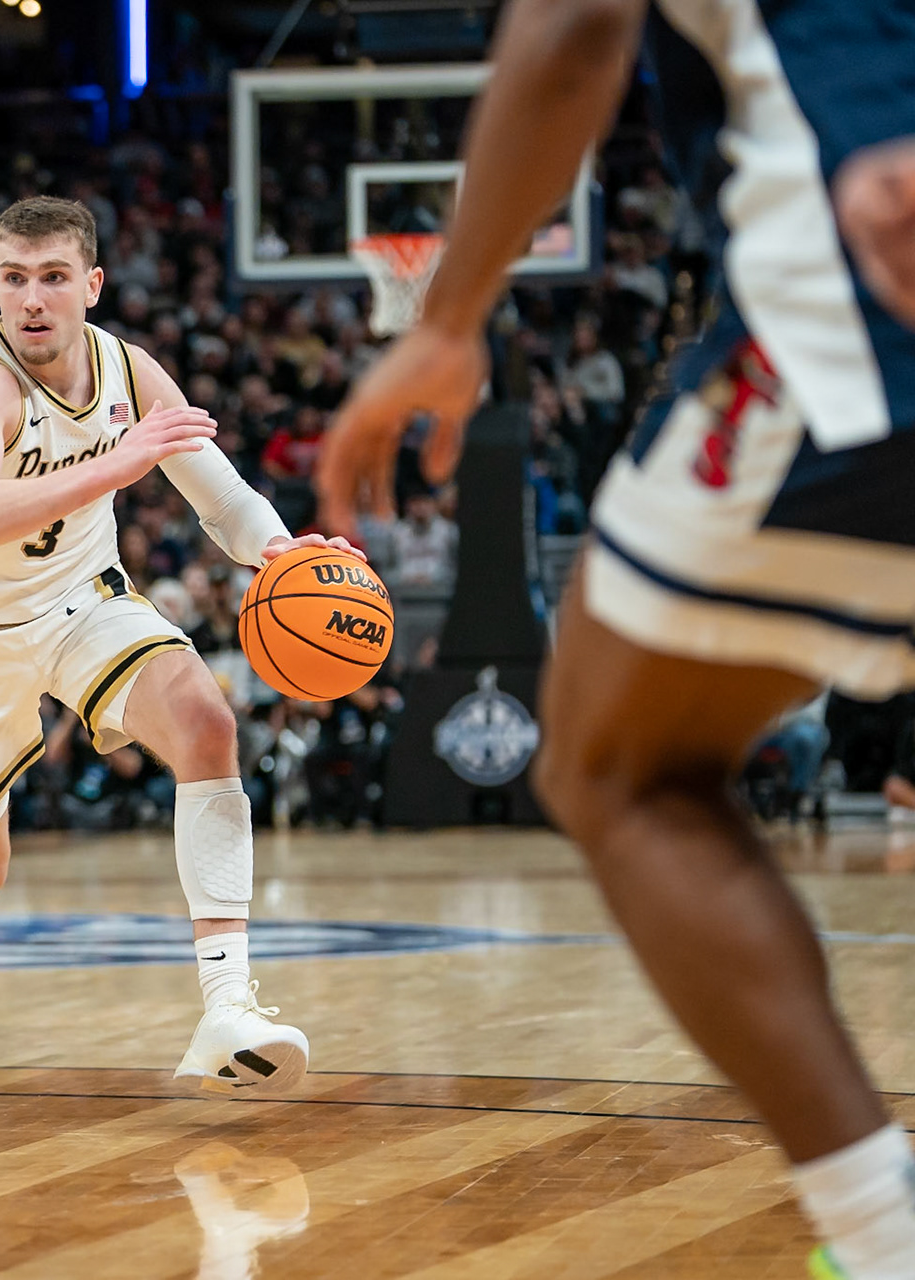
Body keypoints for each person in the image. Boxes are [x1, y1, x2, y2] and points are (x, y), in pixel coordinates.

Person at [315, 3, 915, 1276]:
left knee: (617, 762)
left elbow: (578, 25)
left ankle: (884, 1234)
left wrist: (445, 316)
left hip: (869, 292)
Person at [0, 195, 357, 1093]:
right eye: (16, 278)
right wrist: (123, 460)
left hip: (83, 601)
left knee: (205, 720)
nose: (34, 298)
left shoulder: (128, 369)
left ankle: (227, 1007)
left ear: (92, 285)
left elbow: (220, 496)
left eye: (55, 277)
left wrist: (280, 551)